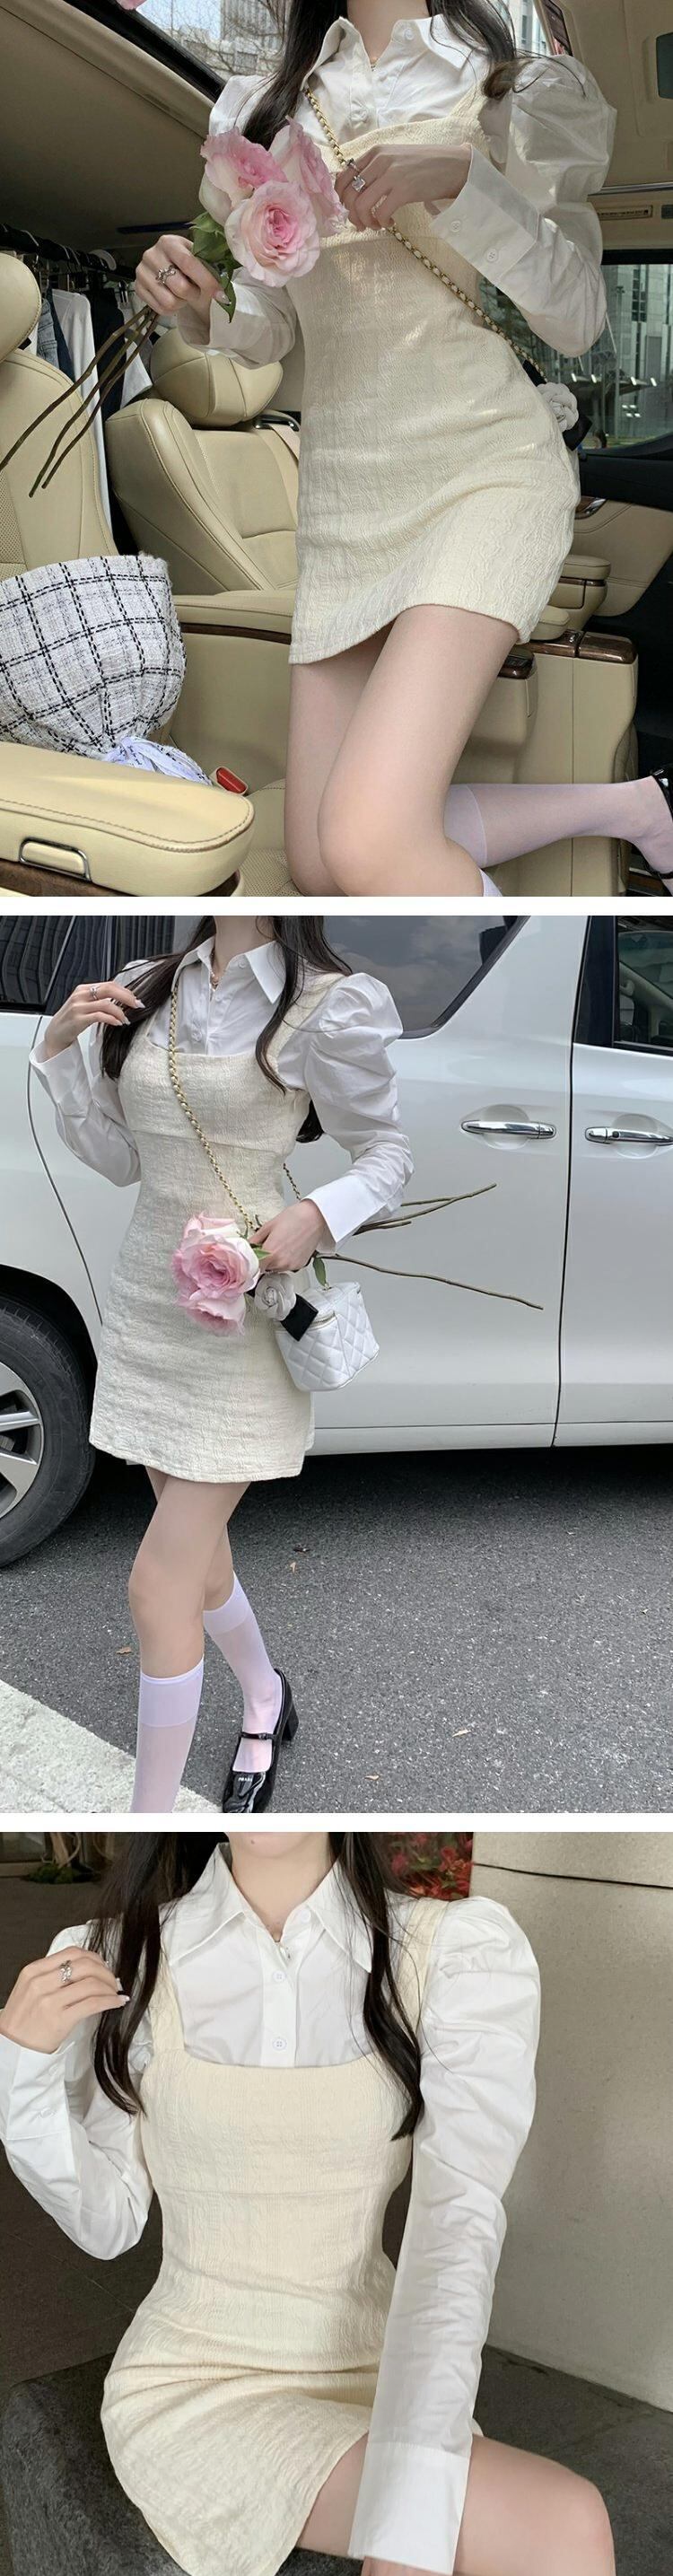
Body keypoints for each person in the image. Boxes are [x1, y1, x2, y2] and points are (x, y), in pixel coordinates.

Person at [0, 1827, 651, 2576]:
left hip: (381, 2376)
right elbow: (108, 2221)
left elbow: (455, 2228)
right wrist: (23, 2071)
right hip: (200, 2388)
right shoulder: (124, 1953)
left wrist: (414, 2495)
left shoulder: (446, 1951)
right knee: (564, 2520)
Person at [135, 4, 673, 899]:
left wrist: (465, 184)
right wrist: (201, 306)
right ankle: (634, 809)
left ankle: (529, 987)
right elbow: (269, 329)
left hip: (484, 469)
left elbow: (579, 317)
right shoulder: (262, 108)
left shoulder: (511, 88)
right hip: (344, 494)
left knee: (366, 843)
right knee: (321, 863)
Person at [31, 919, 411, 1814]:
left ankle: (149, 1823)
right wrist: (57, 1050)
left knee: (156, 1582)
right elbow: (122, 1160)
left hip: (244, 1312)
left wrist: (317, 1213)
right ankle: (266, 1695)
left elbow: (389, 1154)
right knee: (198, 1564)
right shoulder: (149, 982)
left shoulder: (330, 1004)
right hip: (149, 1303)